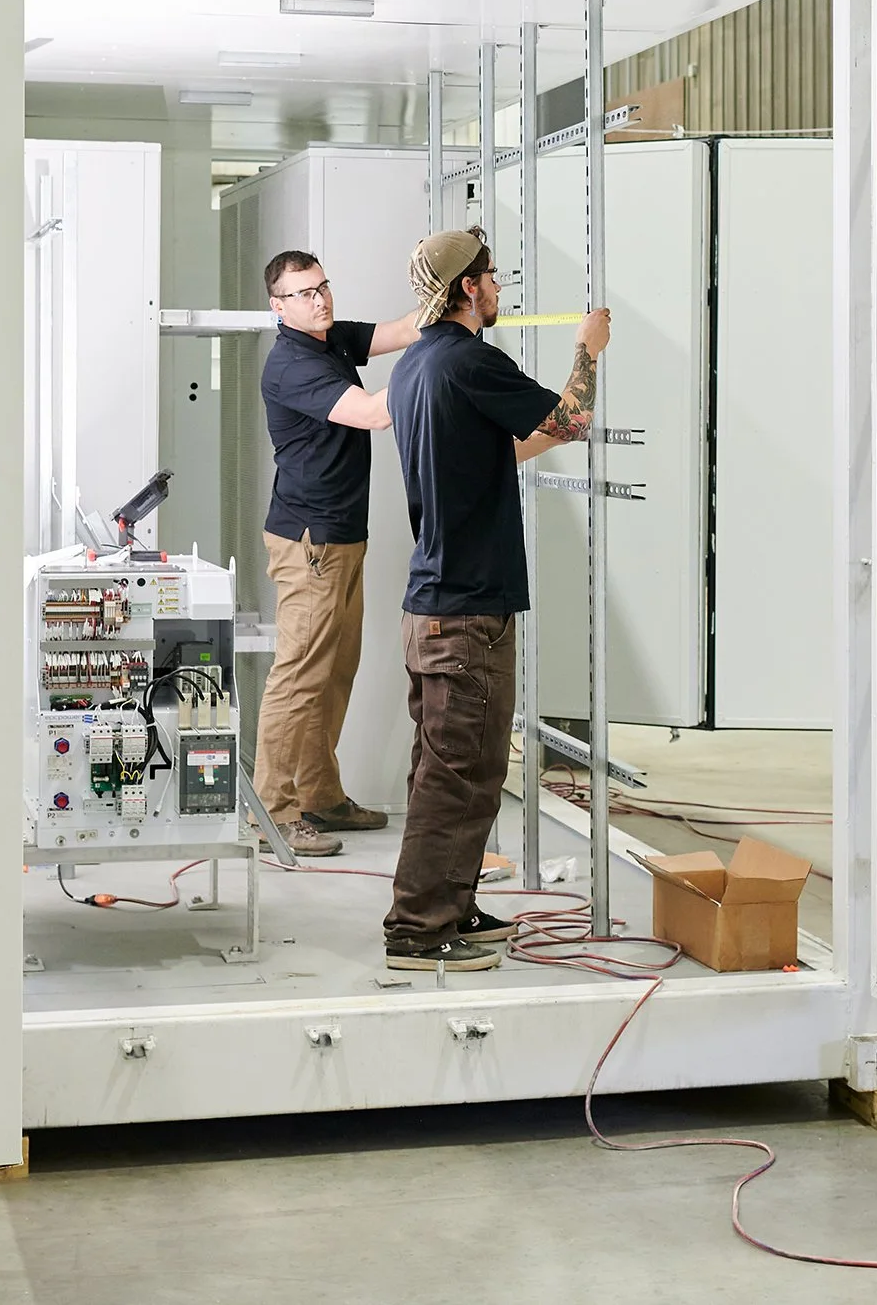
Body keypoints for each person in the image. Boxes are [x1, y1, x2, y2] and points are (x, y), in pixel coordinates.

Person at [380, 229, 610, 970]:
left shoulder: (418, 368)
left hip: (435, 609)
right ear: (467, 289)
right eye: (492, 276)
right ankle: (418, 929)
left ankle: (452, 905)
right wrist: (587, 351)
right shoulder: (473, 359)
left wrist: (550, 428)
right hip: (467, 614)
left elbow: (502, 447)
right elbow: (573, 418)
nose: (499, 287)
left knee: (458, 774)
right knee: (459, 779)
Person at [254, 249, 424, 857]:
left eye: (323, 286)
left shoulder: (328, 339)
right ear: (279, 306)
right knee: (298, 677)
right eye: (304, 294)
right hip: (309, 544)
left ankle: (319, 797)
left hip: (341, 537)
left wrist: (443, 301)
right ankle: (272, 813)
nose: (320, 300)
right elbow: (374, 414)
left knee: (333, 673)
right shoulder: (291, 364)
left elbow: (400, 330)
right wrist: (434, 360)